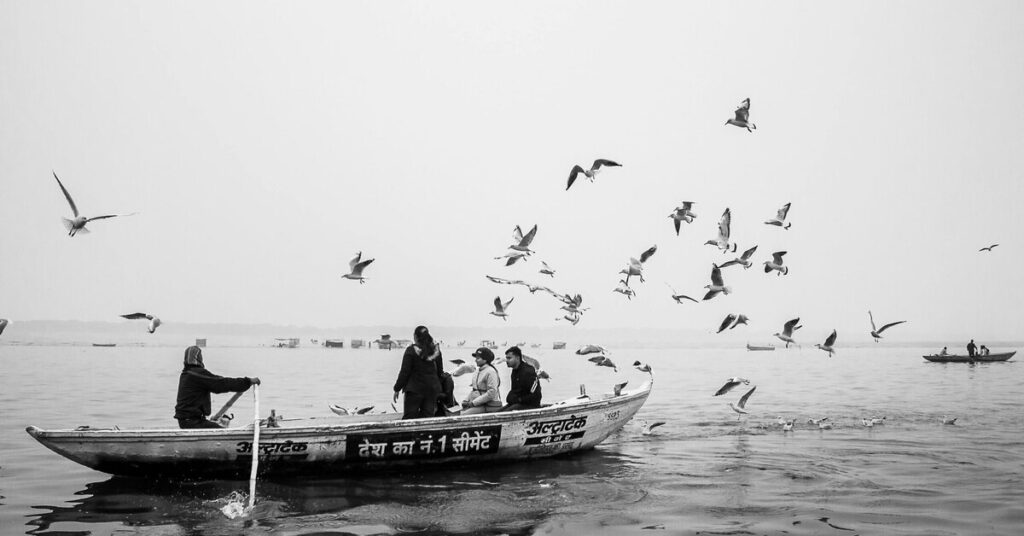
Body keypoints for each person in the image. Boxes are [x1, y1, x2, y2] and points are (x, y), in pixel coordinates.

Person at [174, 346, 260, 429]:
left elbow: (218, 382)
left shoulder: (186, 373)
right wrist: (247, 382)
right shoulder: (197, 374)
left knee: (214, 425)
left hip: (187, 421)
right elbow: (221, 384)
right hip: (192, 422)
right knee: (223, 433)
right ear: (199, 358)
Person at [393, 325, 444, 419]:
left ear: (416, 337)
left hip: (414, 390)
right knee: (427, 418)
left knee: (409, 418)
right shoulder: (436, 351)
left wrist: (397, 388)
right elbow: (440, 372)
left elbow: (405, 372)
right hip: (431, 390)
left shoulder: (411, 350)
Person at [461, 347, 503, 415]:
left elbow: (491, 393)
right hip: (478, 404)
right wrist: (466, 400)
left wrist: (473, 403)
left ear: (485, 359)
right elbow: (474, 390)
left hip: (488, 405)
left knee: (463, 415)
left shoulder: (491, 372)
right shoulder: (477, 371)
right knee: (456, 413)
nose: (475, 360)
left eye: (478, 358)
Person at [500, 346, 542, 411]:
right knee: (497, 412)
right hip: (518, 403)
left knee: (505, 413)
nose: (506, 361)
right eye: (506, 358)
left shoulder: (528, 372)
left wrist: (519, 399)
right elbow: (515, 390)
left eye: (509, 358)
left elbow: (536, 395)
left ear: (517, 358)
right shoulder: (515, 371)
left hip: (530, 405)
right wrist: (510, 398)